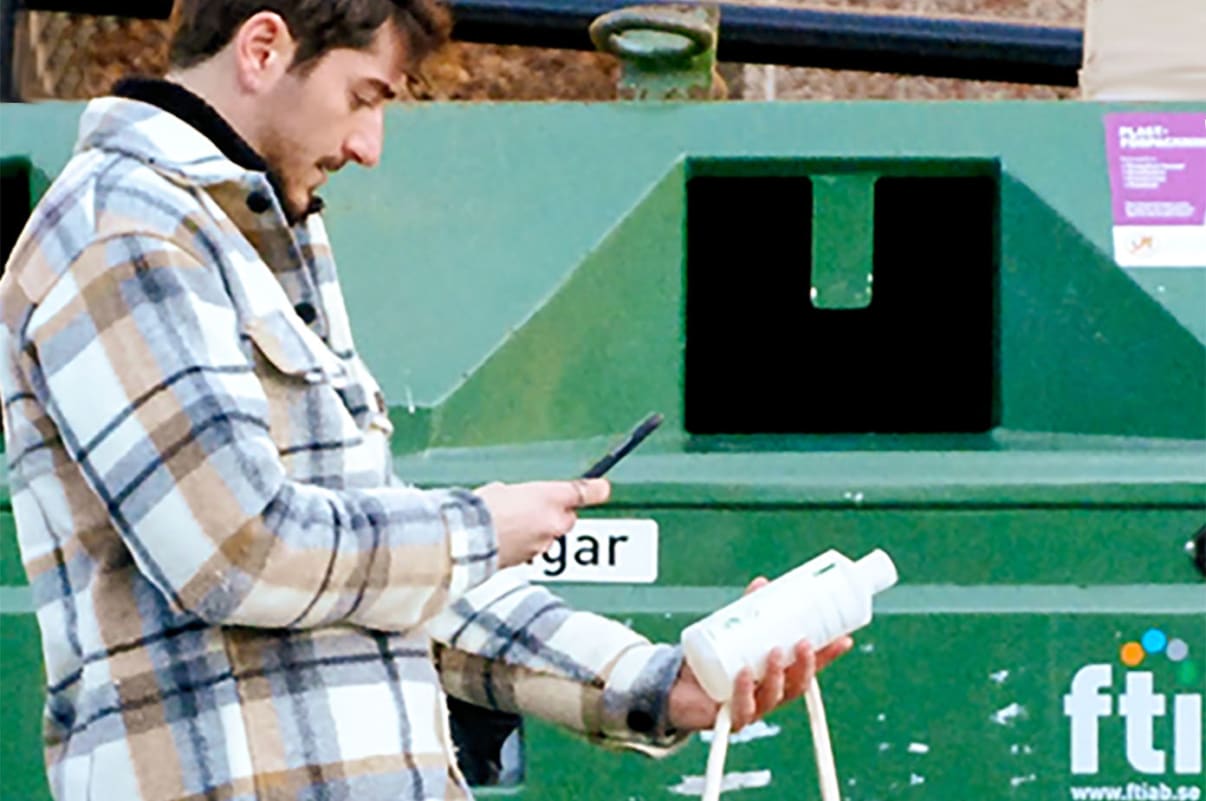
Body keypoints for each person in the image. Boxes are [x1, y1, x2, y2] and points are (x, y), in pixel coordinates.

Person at [0, 2, 852, 799]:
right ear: (263, 49)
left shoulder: (253, 239)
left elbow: (375, 577)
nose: (369, 145)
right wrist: (481, 529)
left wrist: (663, 682)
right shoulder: (121, 225)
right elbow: (235, 549)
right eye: (362, 97)